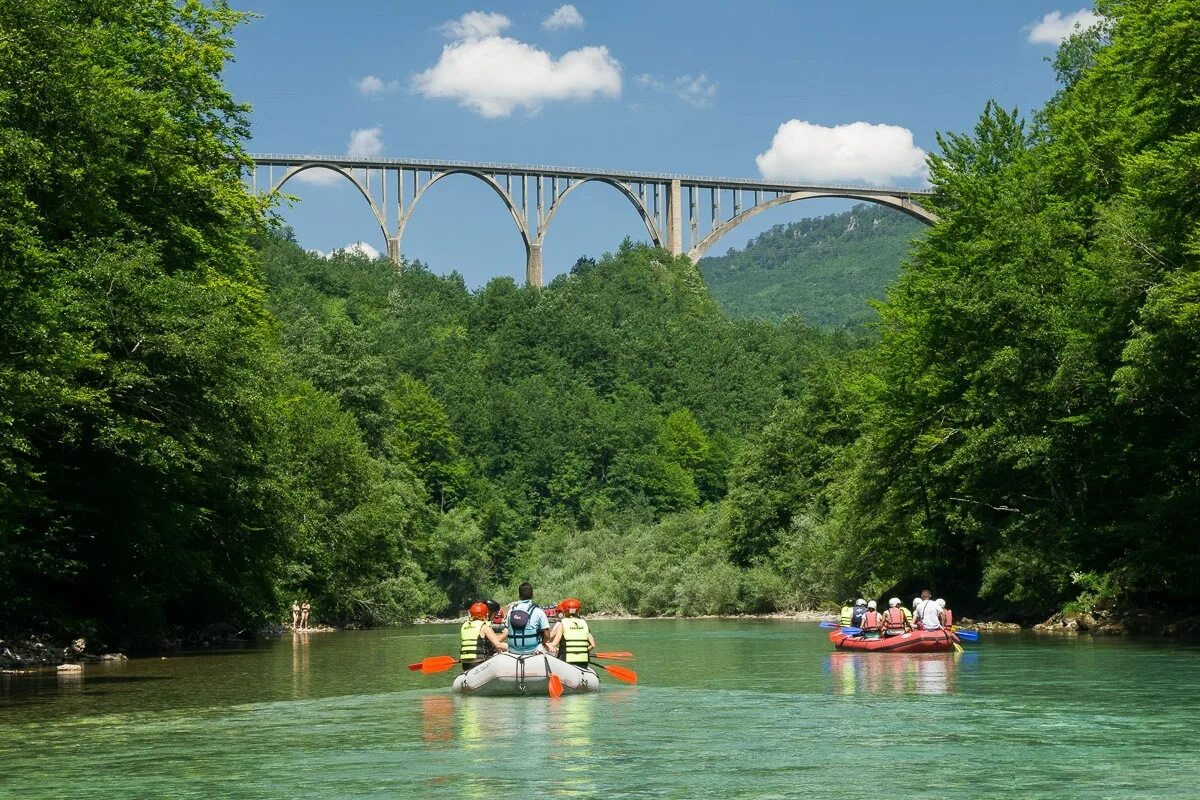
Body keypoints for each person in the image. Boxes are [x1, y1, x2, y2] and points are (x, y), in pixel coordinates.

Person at [546, 598, 595, 666]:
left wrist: (543, 645)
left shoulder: (562, 624)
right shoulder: (584, 623)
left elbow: (554, 644)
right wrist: (583, 651)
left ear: (564, 611)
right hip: (584, 661)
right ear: (578, 611)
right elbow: (593, 645)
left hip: (566, 661)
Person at [506, 582, 550, 655]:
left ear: (519, 596)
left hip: (513, 650)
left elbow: (507, 629)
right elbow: (547, 635)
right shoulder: (538, 611)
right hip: (533, 650)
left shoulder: (511, 611)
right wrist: (543, 643)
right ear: (533, 595)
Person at [460, 602, 506, 670]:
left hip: (465, 665)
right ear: (486, 614)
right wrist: (512, 648)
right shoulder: (484, 627)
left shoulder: (464, 626)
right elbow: (498, 644)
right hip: (480, 664)